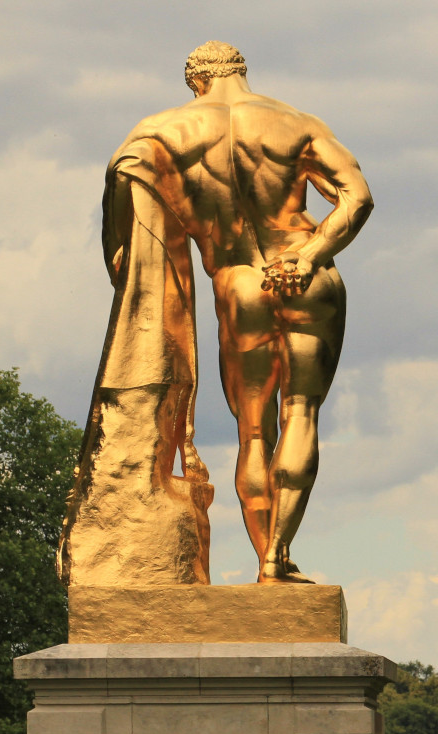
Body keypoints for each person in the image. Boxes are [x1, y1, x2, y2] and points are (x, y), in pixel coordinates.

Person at [85, 40, 373, 582]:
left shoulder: (159, 133)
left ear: (194, 80)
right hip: (307, 274)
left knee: (254, 433)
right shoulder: (297, 123)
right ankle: (275, 559)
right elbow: (357, 196)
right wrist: (310, 255)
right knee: (301, 413)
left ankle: (267, 554)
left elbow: (118, 220)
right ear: (241, 72)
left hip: (237, 284)